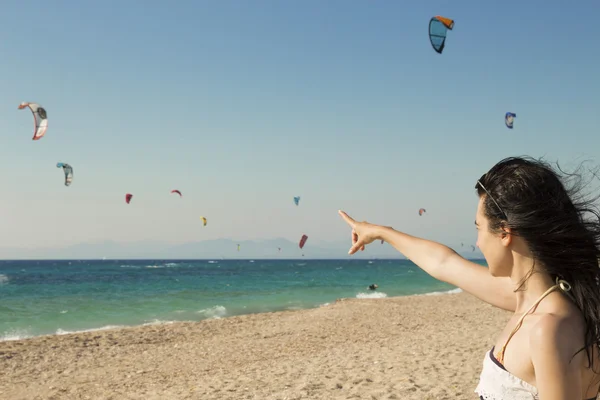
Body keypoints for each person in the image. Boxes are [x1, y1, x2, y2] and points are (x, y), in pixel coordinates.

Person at [338, 156, 600, 399]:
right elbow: (444, 263)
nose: (477, 242)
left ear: (504, 233)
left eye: (479, 228)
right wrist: (380, 232)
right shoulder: (530, 300)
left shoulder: (548, 328)